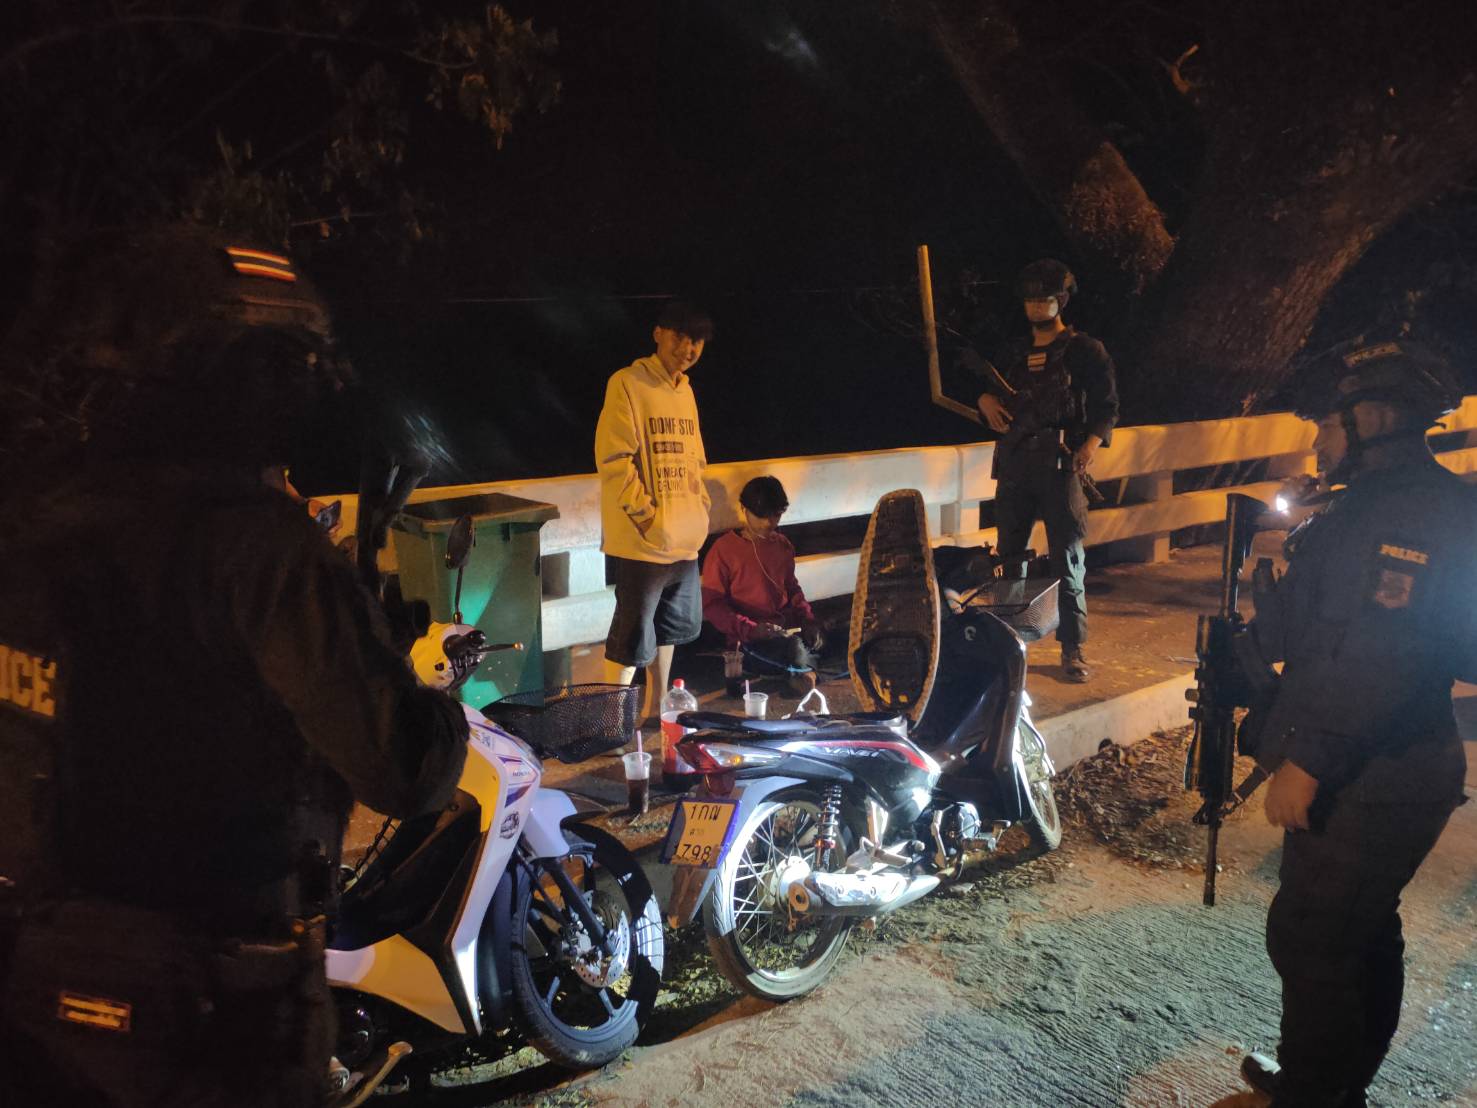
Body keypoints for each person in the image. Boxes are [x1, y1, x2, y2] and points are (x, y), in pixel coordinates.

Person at [0, 224, 468, 1106]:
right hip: (211, 1003)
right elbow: (406, 769)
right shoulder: (257, 548)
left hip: (39, 985)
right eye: (292, 366)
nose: (308, 394)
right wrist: (426, 686)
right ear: (237, 373)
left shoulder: (39, 514)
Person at [1228, 339, 1474, 1107]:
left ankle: (1314, 1096)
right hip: (1375, 761)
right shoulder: (1372, 502)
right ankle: (1329, 1086)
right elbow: (1322, 629)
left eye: (1325, 425)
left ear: (1372, 419)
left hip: (1379, 771)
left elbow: (1383, 651)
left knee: (1316, 937)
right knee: (1352, 932)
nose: (1315, 441)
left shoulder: (1412, 512)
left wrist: (1309, 760)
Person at [971, 259, 1119, 682]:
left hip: (1061, 462)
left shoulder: (1085, 350)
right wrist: (984, 399)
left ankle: (1073, 648)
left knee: (1067, 557)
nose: (1036, 307)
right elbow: (990, 396)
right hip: (1015, 462)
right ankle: (1007, 646)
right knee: (1009, 559)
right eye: (1031, 300)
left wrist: (1089, 445)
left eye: (1045, 299)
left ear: (1062, 301)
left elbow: (1107, 406)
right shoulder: (1012, 352)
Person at [595, 300, 713, 723]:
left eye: (696, 340)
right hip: (642, 542)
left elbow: (696, 460)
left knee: (670, 629)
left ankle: (658, 710)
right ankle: (611, 723)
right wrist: (646, 517)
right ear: (658, 334)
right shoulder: (628, 383)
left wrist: (700, 510)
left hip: (684, 539)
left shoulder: (686, 391)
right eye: (680, 336)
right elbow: (614, 459)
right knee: (631, 635)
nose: (688, 348)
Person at [701, 476, 824, 693]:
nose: (769, 523)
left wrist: (808, 620)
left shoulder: (782, 546)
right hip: (749, 642)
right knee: (794, 648)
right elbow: (713, 605)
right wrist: (751, 629)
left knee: (831, 638)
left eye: (776, 515)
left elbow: (792, 589)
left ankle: (801, 670)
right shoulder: (724, 550)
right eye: (762, 516)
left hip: (784, 632)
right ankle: (804, 672)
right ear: (744, 509)